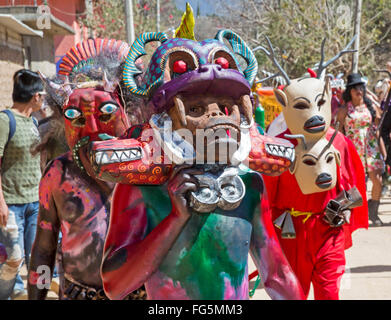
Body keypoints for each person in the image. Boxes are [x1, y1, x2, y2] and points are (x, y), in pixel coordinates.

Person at [27, 38, 145, 300]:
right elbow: (44, 248)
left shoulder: (150, 168)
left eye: (105, 115)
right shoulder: (57, 174)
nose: (91, 130)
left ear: (126, 110)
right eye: (75, 118)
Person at [0, 69, 44, 299]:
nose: (44, 98)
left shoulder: (34, 122)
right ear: (35, 96)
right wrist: (1, 204)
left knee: (39, 256)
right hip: (12, 206)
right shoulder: (5, 120)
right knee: (11, 259)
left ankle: (44, 292)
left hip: (35, 203)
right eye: (43, 94)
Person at [337, 73, 385, 226]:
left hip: (371, 148)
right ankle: (349, 212)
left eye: (361, 87)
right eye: (355, 88)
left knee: (378, 181)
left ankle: (373, 211)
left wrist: (383, 152)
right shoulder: (345, 110)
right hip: (353, 149)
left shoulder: (370, 106)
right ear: (350, 91)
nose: (359, 91)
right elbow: (338, 131)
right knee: (354, 185)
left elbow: (378, 128)